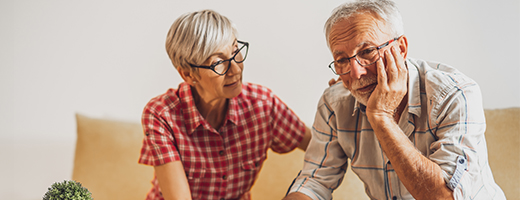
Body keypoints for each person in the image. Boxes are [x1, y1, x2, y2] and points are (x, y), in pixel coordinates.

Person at [284, 0, 505, 199]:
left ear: (400, 49)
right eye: (342, 59)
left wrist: (381, 117)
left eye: (367, 51)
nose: (356, 72)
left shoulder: (455, 94)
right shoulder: (334, 103)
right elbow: (314, 181)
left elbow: (444, 197)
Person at [138, 10, 312, 200]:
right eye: (218, 62)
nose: (236, 69)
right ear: (188, 74)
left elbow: (324, 147)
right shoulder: (161, 115)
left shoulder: (263, 105)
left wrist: (340, 100)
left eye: (236, 51)